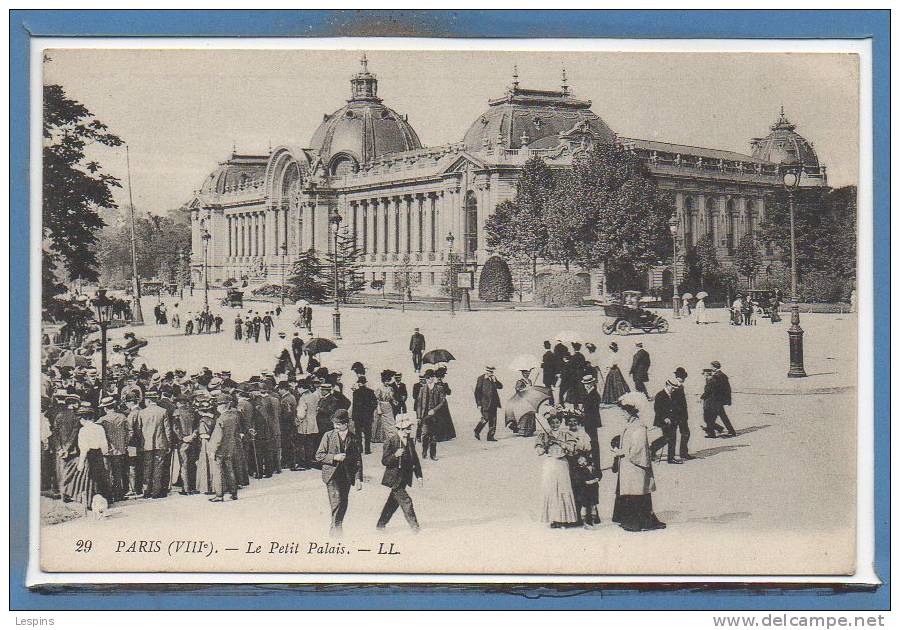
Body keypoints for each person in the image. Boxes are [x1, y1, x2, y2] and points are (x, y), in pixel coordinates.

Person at [611, 397, 666, 532]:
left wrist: (621, 452)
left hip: (635, 466)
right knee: (631, 492)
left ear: (630, 412)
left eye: (624, 411)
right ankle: (630, 521)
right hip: (628, 466)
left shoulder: (639, 427)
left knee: (637, 493)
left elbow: (638, 449)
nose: (622, 414)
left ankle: (638, 523)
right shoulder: (630, 425)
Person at [315, 409, 364, 536]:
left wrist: (358, 478)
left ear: (345, 424)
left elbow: (358, 460)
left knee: (344, 502)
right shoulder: (328, 436)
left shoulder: (353, 438)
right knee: (336, 501)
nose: (335, 426)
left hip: (347, 475)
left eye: (338, 424)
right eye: (334, 424)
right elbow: (319, 456)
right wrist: (334, 457)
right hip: (331, 475)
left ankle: (338, 524)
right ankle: (335, 529)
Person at [377, 413, 422, 531]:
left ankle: (381, 525)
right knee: (407, 501)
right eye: (407, 428)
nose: (409, 430)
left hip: (404, 479)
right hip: (394, 479)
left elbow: (415, 460)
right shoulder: (391, 442)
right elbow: (384, 461)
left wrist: (419, 476)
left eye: (410, 427)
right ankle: (415, 528)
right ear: (399, 428)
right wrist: (395, 455)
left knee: (392, 503)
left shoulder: (410, 441)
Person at [535, 409, 579, 528]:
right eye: (552, 423)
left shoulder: (566, 434)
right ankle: (554, 518)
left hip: (562, 464)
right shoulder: (544, 435)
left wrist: (560, 443)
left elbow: (572, 449)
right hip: (550, 464)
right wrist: (547, 444)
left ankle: (565, 518)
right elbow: (539, 452)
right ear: (549, 423)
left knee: (563, 489)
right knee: (552, 490)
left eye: (557, 422)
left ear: (560, 423)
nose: (555, 425)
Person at [72, 403, 113, 510]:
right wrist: (105, 454)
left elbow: (83, 449)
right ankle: (106, 500)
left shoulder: (83, 430)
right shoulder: (99, 428)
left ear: (83, 418)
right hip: (99, 454)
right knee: (101, 477)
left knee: (90, 479)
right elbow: (104, 444)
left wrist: (80, 464)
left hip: (89, 456)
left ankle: (92, 502)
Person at [138, 390, 172, 499]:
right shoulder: (163, 411)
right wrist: (169, 444)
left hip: (146, 445)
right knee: (158, 468)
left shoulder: (142, 413)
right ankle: (156, 492)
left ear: (147, 400)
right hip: (160, 444)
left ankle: (146, 491)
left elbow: (138, 430)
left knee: (146, 468)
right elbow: (167, 430)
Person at [209, 392, 239, 502]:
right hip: (230, 446)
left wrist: (213, 450)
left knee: (218, 472)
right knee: (230, 470)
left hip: (220, 449)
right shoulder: (234, 416)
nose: (217, 407)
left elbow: (218, 437)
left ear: (223, 405)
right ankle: (233, 492)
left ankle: (219, 495)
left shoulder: (221, 419)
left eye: (218, 405)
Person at [98, 395, 129, 502]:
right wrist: (124, 443)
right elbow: (130, 432)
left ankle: (109, 495)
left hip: (106, 450)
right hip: (119, 450)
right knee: (118, 473)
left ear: (105, 408)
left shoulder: (102, 420)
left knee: (107, 473)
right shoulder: (122, 417)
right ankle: (119, 495)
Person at [414, 369, 447, 461]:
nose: (428, 379)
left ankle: (433, 454)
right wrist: (419, 417)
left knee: (433, 435)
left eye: (430, 377)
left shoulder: (439, 388)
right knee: (424, 434)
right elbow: (419, 404)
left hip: (435, 416)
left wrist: (434, 410)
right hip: (424, 416)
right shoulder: (422, 389)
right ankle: (424, 451)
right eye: (427, 378)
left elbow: (442, 402)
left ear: (433, 378)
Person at [702, 361, 736, 437]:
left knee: (711, 417)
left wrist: (704, 397)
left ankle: (713, 432)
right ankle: (728, 430)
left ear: (714, 367)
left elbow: (715, 389)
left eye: (711, 366)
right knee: (722, 416)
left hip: (716, 400)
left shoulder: (718, 376)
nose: (710, 368)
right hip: (719, 400)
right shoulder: (721, 375)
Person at [651, 379, 681, 464]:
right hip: (663, 420)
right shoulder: (660, 395)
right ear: (667, 385)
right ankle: (670, 458)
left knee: (669, 438)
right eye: (672, 387)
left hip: (673, 420)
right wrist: (665, 418)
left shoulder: (673, 394)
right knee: (669, 438)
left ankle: (653, 448)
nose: (674, 389)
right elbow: (657, 409)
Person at [294, 379, 322, 470]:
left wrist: (297, 420)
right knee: (310, 444)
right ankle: (309, 462)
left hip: (304, 424)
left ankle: (303, 463)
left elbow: (301, 413)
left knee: (302, 444)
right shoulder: (314, 396)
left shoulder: (303, 398)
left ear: (301, 388)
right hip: (313, 423)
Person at [473, 365, 503, 441]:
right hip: (485, 403)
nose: (490, 373)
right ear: (486, 371)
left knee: (493, 420)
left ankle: (490, 436)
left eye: (492, 371)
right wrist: (479, 404)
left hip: (494, 402)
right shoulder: (481, 378)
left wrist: (496, 381)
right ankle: (477, 431)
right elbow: (477, 392)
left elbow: (500, 387)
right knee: (485, 418)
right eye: (489, 371)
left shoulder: (493, 378)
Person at [351, 375, 378, 455]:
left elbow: (355, 406)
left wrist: (354, 416)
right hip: (366, 416)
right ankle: (366, 449)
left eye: (360, 382)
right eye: (359, 382)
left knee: (359, 433)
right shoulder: (370, 391)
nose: (359, 384)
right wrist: (370, 411)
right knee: (367, 433)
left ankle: (361, 449)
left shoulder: (356, 392)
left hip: (359, 416)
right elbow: (374, 404)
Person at [671, 367, 694, 460]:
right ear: (679, 377)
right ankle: (653, 448)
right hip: (678, 416)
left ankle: (683, 453)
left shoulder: (679, 386)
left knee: (685, 433)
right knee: (673, 435)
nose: (684, 379)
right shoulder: (675, 386)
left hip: (681, 416)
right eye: (683, 377)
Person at [433, 367, 456, 442]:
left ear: (443, 377)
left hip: (443, 403)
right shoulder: (434, 385)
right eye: (438, 377)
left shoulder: (445, 384)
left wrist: (445, 388)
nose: (439, 378)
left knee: (445, 418)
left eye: (441, 377)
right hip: (436, 403)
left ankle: (446, 435)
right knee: (437, 419)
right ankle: (438, 435)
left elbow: (449, 393)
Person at [373, 371, 396, 444]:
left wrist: (394, 401)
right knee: (381, 422)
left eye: (388, 381)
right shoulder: (379, 389)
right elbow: (377, 399)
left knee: (390, 421)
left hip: (388, 407)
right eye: (386, 381)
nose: (387, 382)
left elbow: (392, 398)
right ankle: (380, 438)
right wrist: (379, 408)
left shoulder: (391, 388)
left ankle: (390, 436)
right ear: (383, 381)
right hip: (381, 406)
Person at [541, 340, 557, 405]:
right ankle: (551, 401)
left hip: (547, 375)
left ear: (544, 346)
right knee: (549, 388)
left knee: (548, 388)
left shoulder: (545, 356)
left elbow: (544, 366)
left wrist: (541, 364)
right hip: (552, 375)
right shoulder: (553, 355)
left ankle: (551, 401)